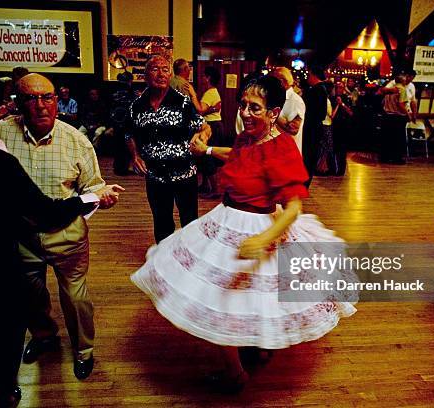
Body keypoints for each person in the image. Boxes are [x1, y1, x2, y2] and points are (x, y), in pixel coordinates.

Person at [131, 75, 356, 392]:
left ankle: (237, 370)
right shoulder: (247, 138)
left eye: (256, 108)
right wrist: (207, 150)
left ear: (274, 112)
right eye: (244, 106)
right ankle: (255, 352)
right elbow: (238, 156)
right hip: (226, 220)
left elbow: (292, 209)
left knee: (228, 301)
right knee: (234, 299)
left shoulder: (282, 150)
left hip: (257, 226)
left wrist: (263, 240)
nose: (247, 113)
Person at [0, 62, 121, 407]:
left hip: (65, 234)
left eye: (47, 97)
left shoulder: (77, 140)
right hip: (19, 237)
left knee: (75, 297)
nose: (40, 105)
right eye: (31, 98)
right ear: (16, 102)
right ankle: (44, 337)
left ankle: (84, 350)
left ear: (58, 101)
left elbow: (93, 184)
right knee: (30, 296)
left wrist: (99, 196)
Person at [125, 55, 211, 243]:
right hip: (155, 176)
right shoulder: (136, 106)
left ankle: (190, 261)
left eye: (165, 69)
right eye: (155, 69)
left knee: (189, 222)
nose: (161, 74)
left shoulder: (183, 102)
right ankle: (165, 262)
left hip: (184, 175)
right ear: (146, 74)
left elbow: (204, 126)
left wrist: (201, 138)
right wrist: (135, 155)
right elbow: (128, 133)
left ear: (170, 73)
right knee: (162, 221)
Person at [196, 66, 224, 197]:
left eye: (204, 76)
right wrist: (212, 109)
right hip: (215, 124)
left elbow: (200, 110)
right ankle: (206, 185)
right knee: (206, 156)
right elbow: (212, 108)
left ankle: (215, 189)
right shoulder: (213, 92)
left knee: (208, 156)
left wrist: (191, 95)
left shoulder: (209, 93)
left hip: (212, 126)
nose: (202, 78)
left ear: (208, 78)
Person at [302, 65, 330, 186]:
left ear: (313, 75)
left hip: (311, 129)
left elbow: (314, 113)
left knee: (308, 157)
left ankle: (304, 184)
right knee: (310, 157)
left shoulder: (316, 90)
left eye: (309, 75)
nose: (307, 78)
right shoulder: (321, 89)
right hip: (316, 128)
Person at [270, 66, 306, 153]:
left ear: (282, 81)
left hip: (289, 154)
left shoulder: (295, 101)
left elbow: (293, 129)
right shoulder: (277, 97)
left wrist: (273, 112)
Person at [378, 73, 411, 164]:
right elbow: (401, 105)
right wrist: (407, 114)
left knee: (387, 138)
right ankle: (396, 159)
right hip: (397, 117)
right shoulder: (402, 90)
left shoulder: (388, 90)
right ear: (403, 81)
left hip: (387, 116)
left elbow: (383, 101)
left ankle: (384, 158)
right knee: (398, 139)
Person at [110, 71, 138, 175]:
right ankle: (122, 167)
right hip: (126, 123)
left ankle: (120, 167)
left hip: (119, 122)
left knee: (120, 145)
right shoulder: (131, 94)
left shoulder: (115, 94)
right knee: (126, 146)